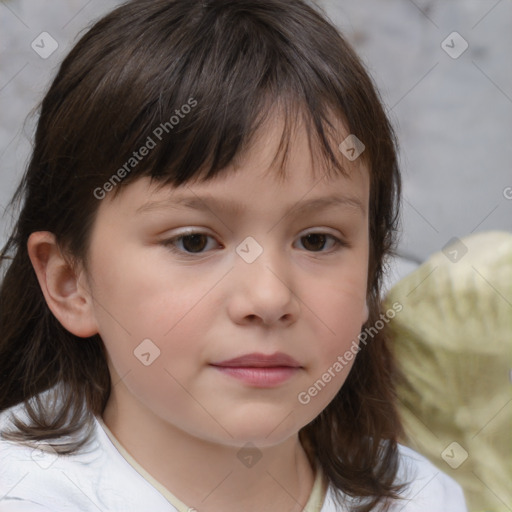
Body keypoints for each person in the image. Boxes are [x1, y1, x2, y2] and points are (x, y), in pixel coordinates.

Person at [0, 1, 467, 510]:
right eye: (194, 241)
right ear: (72, 283)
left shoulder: (420, 497)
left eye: (317, 240)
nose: (268, 297)